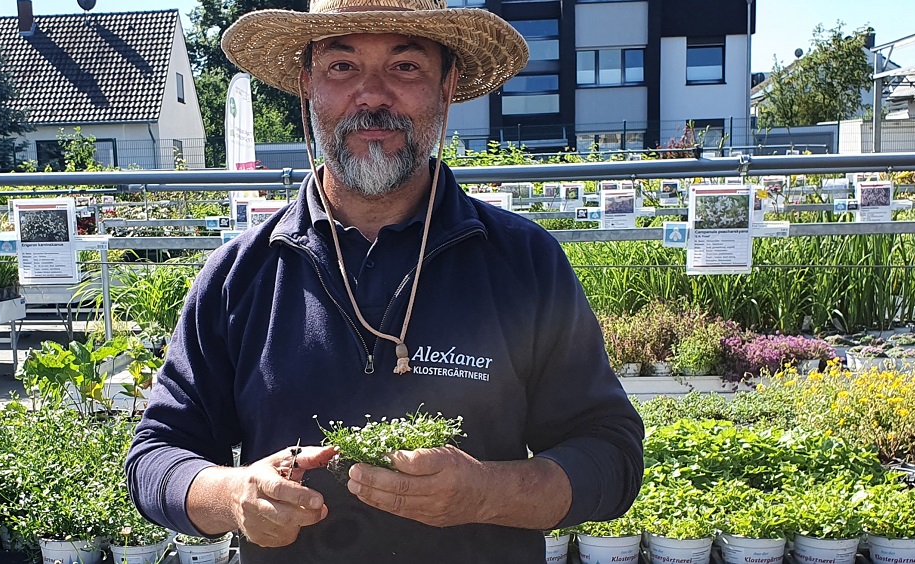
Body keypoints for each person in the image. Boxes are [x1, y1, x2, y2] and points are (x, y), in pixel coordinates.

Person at [125, 0, 645, 561]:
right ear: (308, 88)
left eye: (405, 67)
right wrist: (233, 496)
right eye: (342, 67)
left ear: (446, 89)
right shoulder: (241, 273)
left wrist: (486, 495)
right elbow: (157, 457)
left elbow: (610, 455)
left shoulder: (522, 261)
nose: (371, 96)